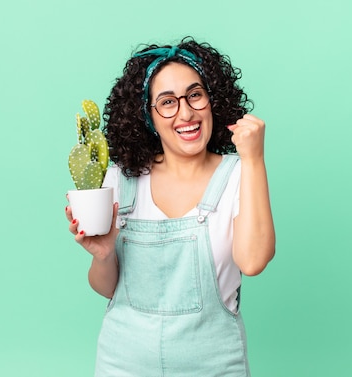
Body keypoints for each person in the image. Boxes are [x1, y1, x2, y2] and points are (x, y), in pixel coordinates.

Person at [65, 36, 275, 376]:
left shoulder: (239, 173)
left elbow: (252, 262)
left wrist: (254, 159)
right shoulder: (120, 179)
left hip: (215, 367)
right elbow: (107, 287)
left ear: (213, 100)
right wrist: (102, 255)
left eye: (195, 95)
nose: (186, 113)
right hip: (122, 364)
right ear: (146, 115)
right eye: (167, 102)